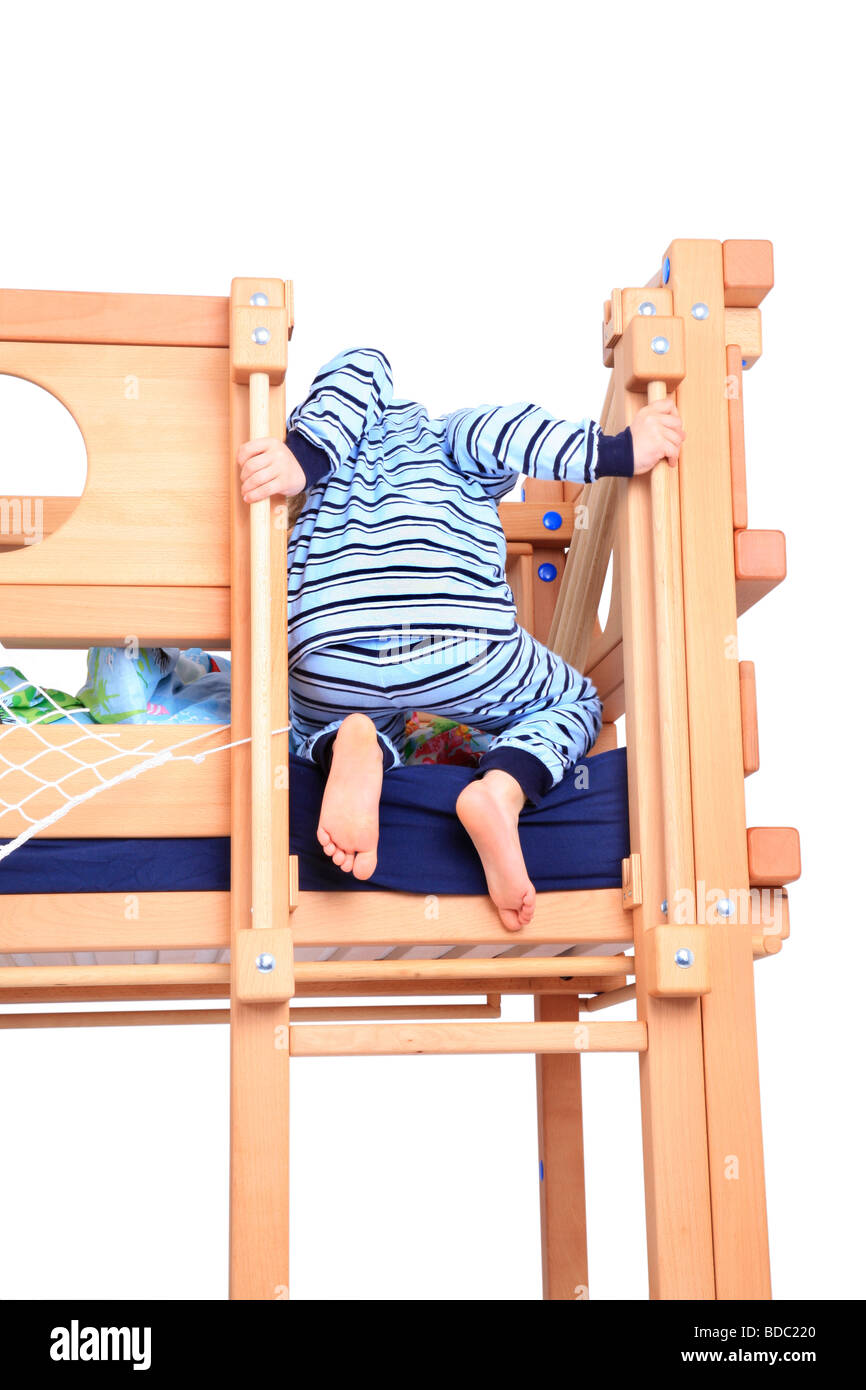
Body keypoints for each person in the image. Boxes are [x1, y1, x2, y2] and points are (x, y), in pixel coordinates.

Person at [237, 348, 683, 929]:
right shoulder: (453, 435)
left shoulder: (320, 462)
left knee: (294, 724)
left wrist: (302, 459)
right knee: (577, 702)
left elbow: (359, 366)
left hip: (328, 644)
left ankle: (353, 741)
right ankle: (501, 789)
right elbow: (514, 431)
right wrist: (618, 451)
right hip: (457, 639)